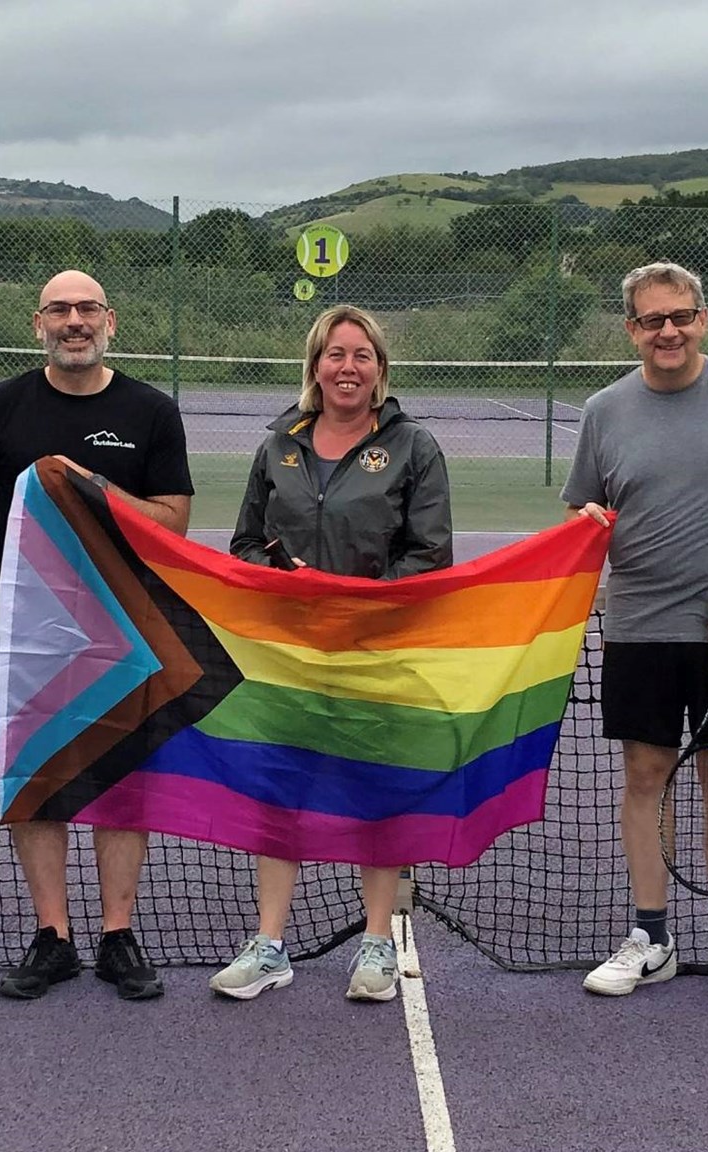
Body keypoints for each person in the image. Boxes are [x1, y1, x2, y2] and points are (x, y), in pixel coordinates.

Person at [563, 261, 708, 1016]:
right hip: (639, 628)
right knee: (645, 776)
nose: (668, 331)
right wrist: (585, 529)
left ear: (703, 318)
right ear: (631, 329)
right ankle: (651, 937)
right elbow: (584, 516)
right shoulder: (604, 410)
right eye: (651, 320)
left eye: (681, 316)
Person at [0, 270, 193, 1002]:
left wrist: (89, 486)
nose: (74, 320)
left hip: (125, 630)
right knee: (37, 779)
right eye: (60, 309)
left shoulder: (152, 411)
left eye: (87, 308)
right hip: (24, 634)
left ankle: (117, 934)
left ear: (110, 321)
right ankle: (51, 937)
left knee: (121, 780)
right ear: (39, 324)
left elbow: (172, 520)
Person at [216, 304, 452, 1003]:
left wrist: (360, 601)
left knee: (375, 794)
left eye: (363, 356)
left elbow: (429, 554)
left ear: (381, 370)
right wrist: (287, 584)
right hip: (289, 656)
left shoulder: (415, 447)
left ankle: (377, 944)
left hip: (379, 651)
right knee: (280, 794)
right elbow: (245, 544)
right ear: (315, 365)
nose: (348, 368)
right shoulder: (277, 447)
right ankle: (269, 946)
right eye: (335, 354)